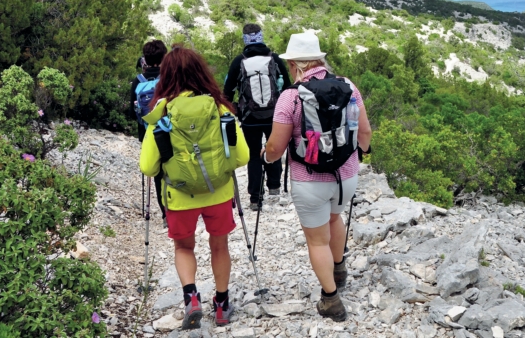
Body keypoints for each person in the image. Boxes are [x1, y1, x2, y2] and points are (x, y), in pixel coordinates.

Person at [262, 32, 372, 321]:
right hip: (346, 176)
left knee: (317, 240)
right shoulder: (348, 86)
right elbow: (365, 133)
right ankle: (339, 268)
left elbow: (275, 147)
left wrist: (265, 158)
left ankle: (331, 300)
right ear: (320, 60)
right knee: (335, 218)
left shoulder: (290, 97)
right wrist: (358, 155)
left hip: (309, 180)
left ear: (295, 65)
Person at [140, 46, 250, 329]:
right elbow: (242, 156)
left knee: (184, 246)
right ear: (202, 72)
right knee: (219, 245)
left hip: (179, 196)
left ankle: (192, 299)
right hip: (218, 192)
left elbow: (148, 167)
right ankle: (222, 305)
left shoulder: (161, 112)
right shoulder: (220, 108)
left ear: (166, 76)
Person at [223, 23, 291, 209]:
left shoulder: (239, 61)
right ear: (261, 36)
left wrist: (235, 109)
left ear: (245, 39)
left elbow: (227, 92)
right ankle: (274, 187)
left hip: (249, 118)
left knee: (253, 154)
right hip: (274, 115)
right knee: (273, 147)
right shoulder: (274, 59)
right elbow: (288, 87)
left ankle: (255, 197)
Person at [130, 40, 168, 227]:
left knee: (158, 173)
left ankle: (165, 214)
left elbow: (132, 111)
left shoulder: (138, 80)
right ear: (164, 57)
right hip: (169, 131)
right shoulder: (169, 77)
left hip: (148, 134)